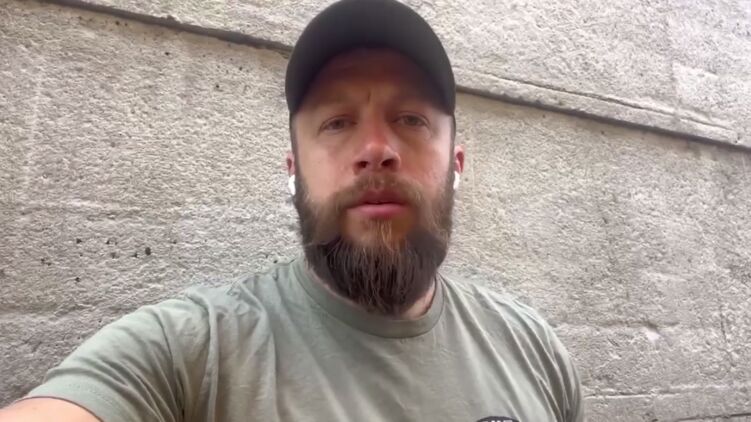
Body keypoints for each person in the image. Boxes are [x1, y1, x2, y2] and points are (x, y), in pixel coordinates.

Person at [0, 0, 584, 421]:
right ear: (293, 170)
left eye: (411, 119)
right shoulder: (192, 353)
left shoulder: (535, 352)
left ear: (456, 162)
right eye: (337, 122)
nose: (376, 149)